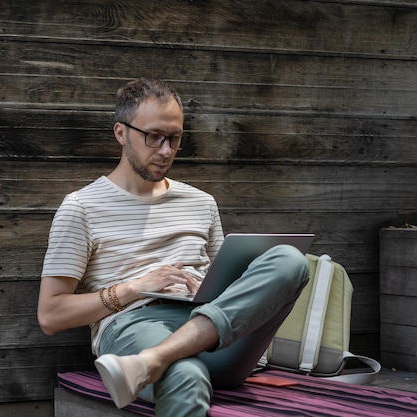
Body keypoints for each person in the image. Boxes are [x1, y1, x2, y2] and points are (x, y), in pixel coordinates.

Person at [37, 78, 309, 416]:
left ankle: (153, 361)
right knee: (184, 374)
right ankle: (156, 359)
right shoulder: (82, 208)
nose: (165, 150)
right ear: (121, 132)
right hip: (135, 325)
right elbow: (50, 315)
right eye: (153, 136)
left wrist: (220, 295)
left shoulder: (201, 203)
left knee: (290, 259)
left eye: (174, 138)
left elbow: (224, 285)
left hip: (215, 332)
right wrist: (135, 288)